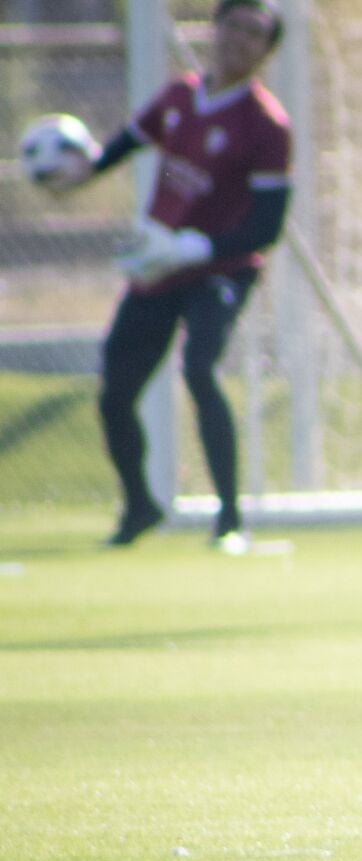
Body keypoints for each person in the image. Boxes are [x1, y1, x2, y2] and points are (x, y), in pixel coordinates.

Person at [42, 0, 291, 550]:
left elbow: (267, 226)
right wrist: (83, 171)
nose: (240, 39)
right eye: (234, 26)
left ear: (267, 51)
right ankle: (140, 506)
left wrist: (195, 246)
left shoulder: (267, 125)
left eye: (255, 34)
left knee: (200, 369)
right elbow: (127, 142)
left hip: (221, 269)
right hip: (158, 266)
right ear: (215, 28)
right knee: (115, 393)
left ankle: (230, 521)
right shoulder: (179, 96)